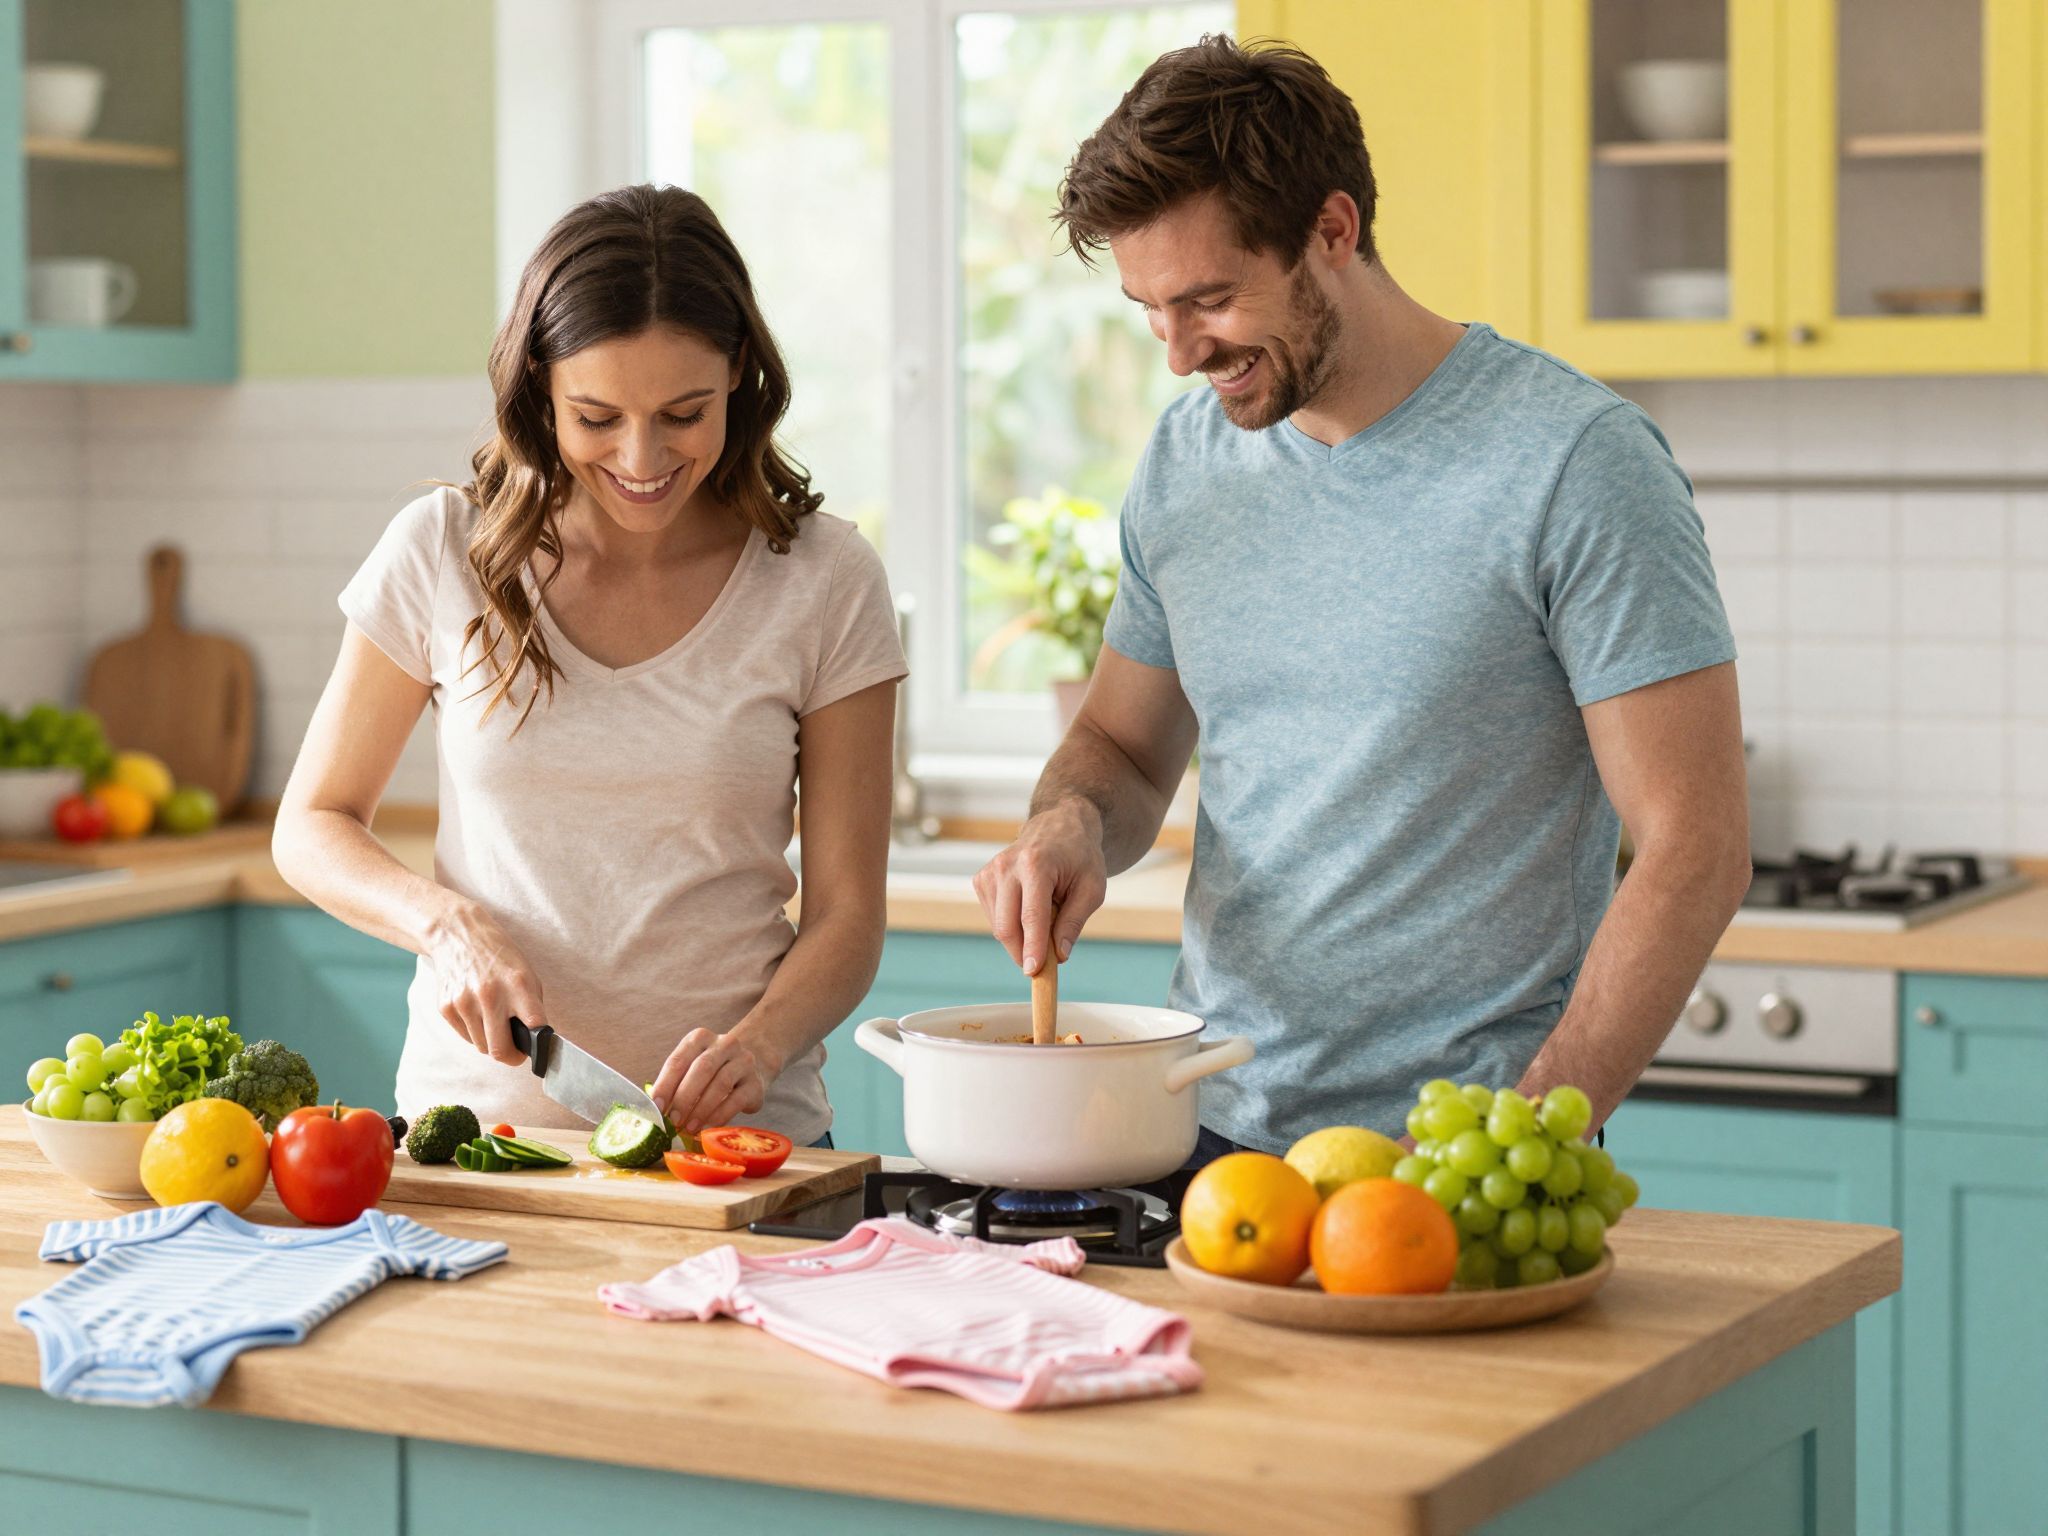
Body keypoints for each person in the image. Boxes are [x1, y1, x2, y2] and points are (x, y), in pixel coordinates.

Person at [972, 38, 1750, 1162]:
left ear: (1330, 233)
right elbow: (1122, 749)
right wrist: (1069, 823)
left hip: (1457, 1146)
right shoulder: (1187, 461)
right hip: (1209, 1126)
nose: (1181, 353)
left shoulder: (1574, 462)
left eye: (1209, 300)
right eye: (1150, 311)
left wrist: (1524, 1137)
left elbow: (1695, 845)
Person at [274, 185, 905, 1146]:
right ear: (539, 385)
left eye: (684, 413)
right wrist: (442, 925)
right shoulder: (444, 549)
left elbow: (849, 916)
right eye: (597, 415)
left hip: (740, 1149)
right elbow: (311, 824)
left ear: (740, 371)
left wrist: (761, 1046)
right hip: (479, 1141)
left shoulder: (824, 579)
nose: (642, 458)